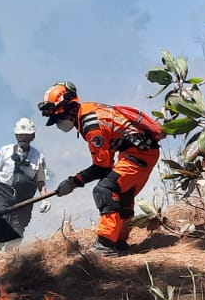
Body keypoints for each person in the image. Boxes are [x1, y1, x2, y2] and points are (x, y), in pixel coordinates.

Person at [39, 82, 163, 258]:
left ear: (70, 108)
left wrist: (73, 181)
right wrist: (76, 181)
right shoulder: (90, 110)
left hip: (139, 154)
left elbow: (102, 167)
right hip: (138, 152)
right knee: (122, 192)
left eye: (59, 117)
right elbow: (107, 161)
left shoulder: (90, 124)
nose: (59, 123)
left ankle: (105, 244)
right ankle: (120, 241)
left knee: (105, 189)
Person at [0, 117, 49, 252]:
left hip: (25, 198)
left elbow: (40, 180)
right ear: (16, 135)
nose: (24, 138)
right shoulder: (4, 151)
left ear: (32, 136)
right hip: (3, 193)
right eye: (21, 135)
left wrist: (44, 198)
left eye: (27, 136)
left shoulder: (38, 157)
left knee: (18, 228)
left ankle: (9, 256)